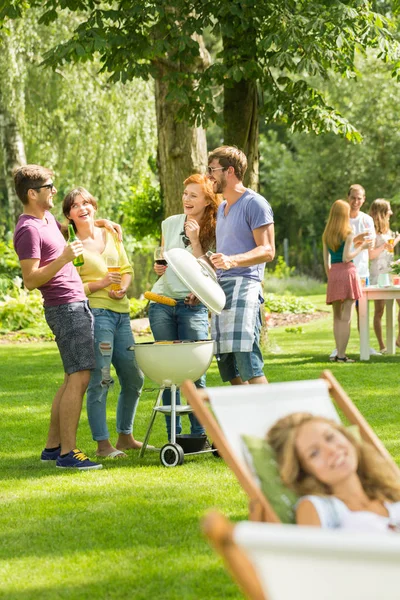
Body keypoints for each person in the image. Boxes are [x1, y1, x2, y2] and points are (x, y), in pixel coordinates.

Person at [13, 165, 120, 470]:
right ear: (32, 194)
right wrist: (63, 259)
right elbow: (31, 280)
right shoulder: (28, 229)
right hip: (64, 307)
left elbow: (71, 226)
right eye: (49, 187)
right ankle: (68, 454)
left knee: (71, 376)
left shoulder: (46, 220)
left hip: (75, 303)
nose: (54, 191)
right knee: (81, 376)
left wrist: (101, 221)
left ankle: (52, 447)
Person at [62, 187, 145, 458]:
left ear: (94, 207)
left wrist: (124, 288)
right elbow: (72, 287)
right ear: (69, 215)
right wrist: (99, 284)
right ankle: (102, 444)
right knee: (101, 379)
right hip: (97, 315)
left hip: (122, 314)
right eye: (75, 205)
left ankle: (125, 437)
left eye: (86, 202)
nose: (82, 207)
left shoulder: (110, 233)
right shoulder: (72, 246)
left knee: (134, 377)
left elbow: (126, 269)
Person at [148, 173, 220, 440]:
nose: (186, 199)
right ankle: (173, 438)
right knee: (169, 374)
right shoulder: (170, 223)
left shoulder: (216, 227)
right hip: (162, 304)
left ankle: (199, 434)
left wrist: (197, 240)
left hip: (193, 307)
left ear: (207, 201)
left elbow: (213, 273)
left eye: (194, 195)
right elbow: (165, 259)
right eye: (185, 194)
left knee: (194, 370)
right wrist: (159, 268)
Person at [207, 145, 275, 385]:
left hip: (245, 285)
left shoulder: (255, 203)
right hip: (222, 287)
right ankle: (246, 419)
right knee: (227, 362)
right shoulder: (223, 207)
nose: (209, 176)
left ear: (230, 171)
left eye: (213, 170)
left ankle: (270, 421)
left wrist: (231, 260)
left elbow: (267, 250)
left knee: (248, 360)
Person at [267, 412, 400, 532]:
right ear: (303, 471)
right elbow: (314, 558)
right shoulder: (319, 508)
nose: (331, 450)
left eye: (330, 437)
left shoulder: (389, 491)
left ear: (347, 437)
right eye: (314, 453)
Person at [330, 184, 379, 359]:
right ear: (347, 197)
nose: (356, 201)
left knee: (362, 311)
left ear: (364, 199)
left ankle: (364, 345)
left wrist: (359, 242)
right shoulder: (341, 218)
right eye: (353, 198)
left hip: (361, 271)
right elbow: (339, 245)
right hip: (344, 270)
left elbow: (371, 244)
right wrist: (358, 241)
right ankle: (339, 349)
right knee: (342, 312)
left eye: (359, 198)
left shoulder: (367, 219)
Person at [323, 199, 371, 363]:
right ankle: (342, 356)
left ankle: (338, 354)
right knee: (347, 317)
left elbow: (326, 262)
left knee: (337, 318)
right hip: (347, 273)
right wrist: (361, 247)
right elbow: (346, 257)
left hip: (334, 274)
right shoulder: (348, 233)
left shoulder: (327, 234)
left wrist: (332, 278)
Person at [369, 199, 400, 353]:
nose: (391, 213)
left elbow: (388, 249)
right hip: (377, 274)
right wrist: (387, 244)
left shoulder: (388, 230)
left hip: (391, 271)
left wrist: (396, 241)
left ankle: (399, 339)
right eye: (388, 210)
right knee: (379, 311)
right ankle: (382, 346)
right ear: (381, 212)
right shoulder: (372, 231)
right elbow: (372, 255)